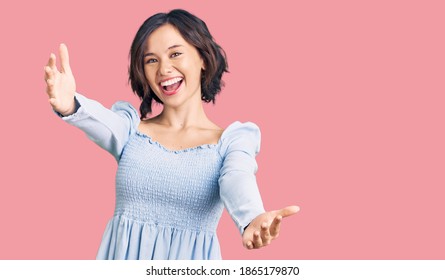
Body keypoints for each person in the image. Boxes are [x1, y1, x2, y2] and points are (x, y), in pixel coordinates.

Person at [43, 9, 299, 260]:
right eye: (151, 60)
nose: (164, 69)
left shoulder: (232, 142)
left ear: (203, 59)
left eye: (175, 54)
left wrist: (252, 218)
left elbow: (238, 177)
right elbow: (101, 121)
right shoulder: (130, 129)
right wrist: (70, 104)